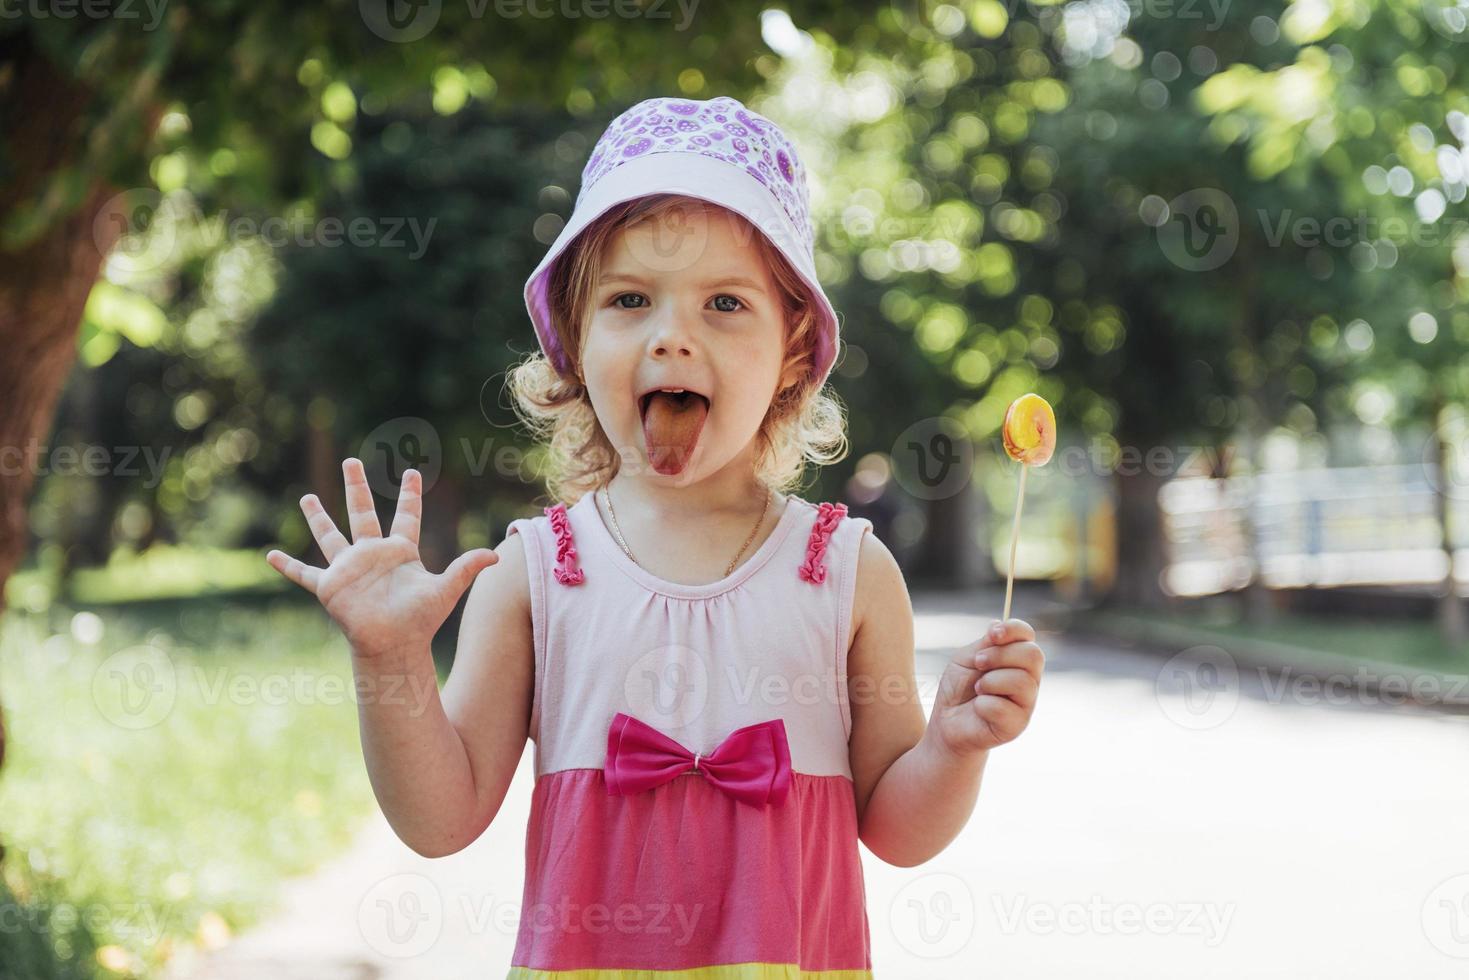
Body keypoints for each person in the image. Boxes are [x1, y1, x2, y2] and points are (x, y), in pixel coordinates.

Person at [265, 94, 1046, 977]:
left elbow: (898, 834)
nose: (673, 337)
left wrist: (951, 745)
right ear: (573, 340)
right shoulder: (533, 575)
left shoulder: (846, 575)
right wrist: (389, 659)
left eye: (723, 303)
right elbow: (439, 823)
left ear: (793, 348)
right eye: (630, 299)